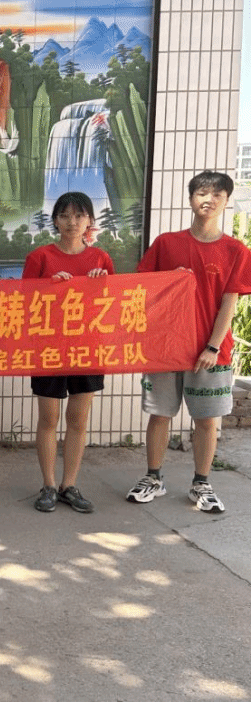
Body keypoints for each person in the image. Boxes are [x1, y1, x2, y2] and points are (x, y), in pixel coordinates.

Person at [127, 171, 251, 513]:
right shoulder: (166, 243)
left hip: (211, 352)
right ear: (190, 198)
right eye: (201, 193)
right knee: (159, 415)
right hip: (166, 349)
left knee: (207, 421)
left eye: (216, 195)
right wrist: (169, 281)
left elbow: (229, 302)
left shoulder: (235, 251)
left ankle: (202, 483)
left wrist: (212, 346)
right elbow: (143, 290)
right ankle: (153, 477)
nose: (208, 200)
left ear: (226, 201)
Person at [21, 192, 115, 513]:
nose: (72, 222)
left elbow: (114, 304)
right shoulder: (40, 257)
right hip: (48, 347)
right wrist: (47, 288)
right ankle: (48, 485)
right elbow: (21, 304)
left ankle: (69, 485)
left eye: (79, 215)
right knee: (48, 418)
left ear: (89, 220)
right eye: (64, 215)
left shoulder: (101, 259)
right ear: (55, 221)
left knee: (78, 419)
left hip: (88, 348)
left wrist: (101, 284)